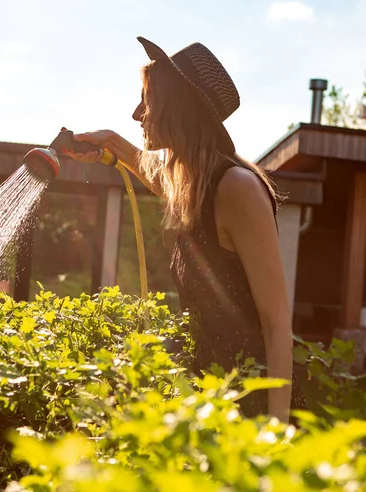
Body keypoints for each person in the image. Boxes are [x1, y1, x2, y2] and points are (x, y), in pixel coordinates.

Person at [66, 37, 306, 422]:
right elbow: (156, 175)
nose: (137, 113)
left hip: (252, 407)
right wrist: (108, 142)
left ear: (176, 106)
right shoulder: (199, 186)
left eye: (146, 99)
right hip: (211, 398)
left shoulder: (237, 188)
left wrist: (273, 437)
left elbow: (276, 324)